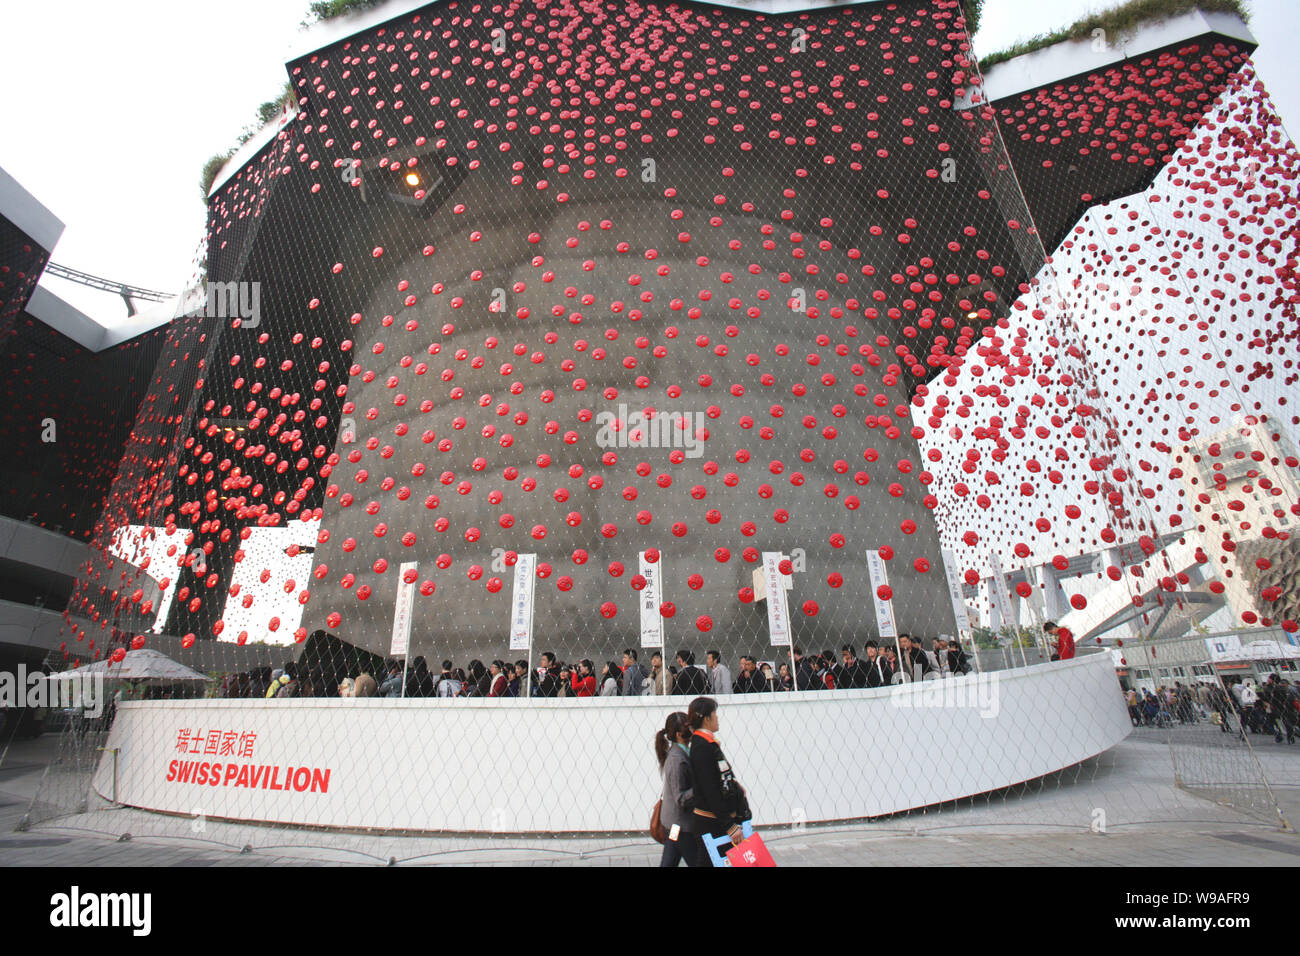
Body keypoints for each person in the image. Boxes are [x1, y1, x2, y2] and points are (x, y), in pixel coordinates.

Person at [687, 697, 749, 863]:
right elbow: (710, 790)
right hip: (711, 824)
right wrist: (730, 826)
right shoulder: (701, 746)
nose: (717, 717)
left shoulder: (708, 743)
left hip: (716, 822)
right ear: (707, 718)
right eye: (715, 714)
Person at [655, 712, 698, 867]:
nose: (693, 730)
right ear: (680, 734)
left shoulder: (682, 753)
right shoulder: (676, 760)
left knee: (669, 861)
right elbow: (680, 798)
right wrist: (701, 788)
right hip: (681, 826)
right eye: (689, 727)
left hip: (674, 825)